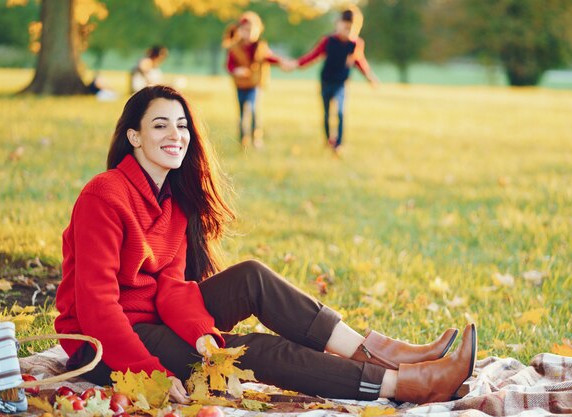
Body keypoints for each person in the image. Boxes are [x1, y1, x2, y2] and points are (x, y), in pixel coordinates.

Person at [54, 85, 477, 405]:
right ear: (134, 137)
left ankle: (385, 353)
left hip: (155, 322)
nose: (176, 135)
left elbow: (172, 287)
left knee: (251, 276)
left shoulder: (172, 202)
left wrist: (202, 335)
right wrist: (151, 374)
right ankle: (404, 384)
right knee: (251, 351)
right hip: (106, 346)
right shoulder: (104, 196)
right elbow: (97, 308)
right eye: (160, 125)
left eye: (182, 125)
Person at [290, 7, 378, 156]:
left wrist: (369, 77)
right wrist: (297, 64)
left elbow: (359, 61)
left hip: (341, 83)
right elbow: (314, 55)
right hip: (326, 81)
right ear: (339, 24)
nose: (349, 32)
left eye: (353, 29)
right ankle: (327, 140)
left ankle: (338, 144)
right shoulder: (328, 41)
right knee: (326, 113)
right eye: (346, 27)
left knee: (340, 112)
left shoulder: (355, 44)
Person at [223, 11, 285, 149]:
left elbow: (269, 58)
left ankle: (256, 138)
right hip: (240, 85)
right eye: (246, 30)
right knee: (241, 113)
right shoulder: (234, 47)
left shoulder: (260, 46)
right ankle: (242, 139)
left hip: (255, 84)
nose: (249, 33)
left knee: (252, 110)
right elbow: (229, 65)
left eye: (252, 30)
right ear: (240, 30)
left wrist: (281, 62)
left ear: (258, 31)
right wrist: (236, 70)